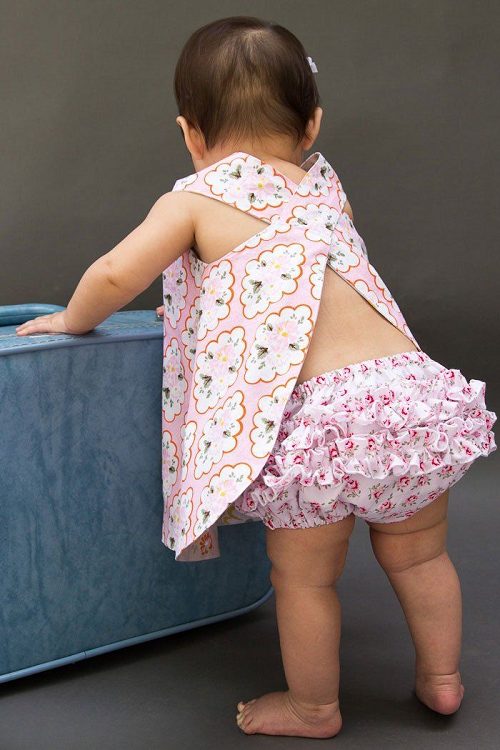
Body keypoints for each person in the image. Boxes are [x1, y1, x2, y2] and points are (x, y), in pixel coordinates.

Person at [15, 15, 496, 740]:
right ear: (312, 125)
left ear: (191, 135)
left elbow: (115, 274)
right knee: (422, 554)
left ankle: (314, 708)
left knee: (305, 577)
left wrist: (70, 318)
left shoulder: (194, 199)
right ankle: (442, 679)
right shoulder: (326, 190)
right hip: (409, 396)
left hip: (321, 421)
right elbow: (312, 279)